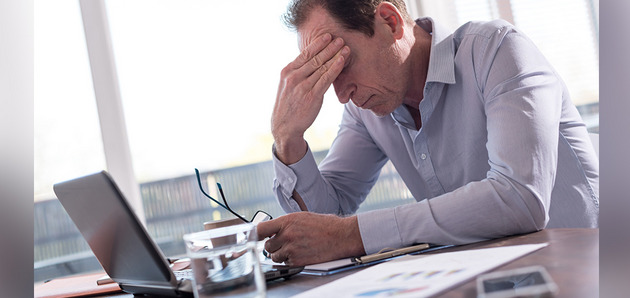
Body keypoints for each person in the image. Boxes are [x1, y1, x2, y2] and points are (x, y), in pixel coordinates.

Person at [257, 0, 599, 267]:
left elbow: (519, 199)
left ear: (389, 23)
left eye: (341, 64)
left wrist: (353, 235)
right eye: (324, 75)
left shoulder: (497, 50)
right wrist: (288, 138)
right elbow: (326, 220)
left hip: (583, 271)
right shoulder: (365, 110)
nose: (342, 94)